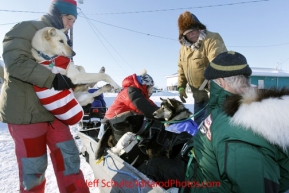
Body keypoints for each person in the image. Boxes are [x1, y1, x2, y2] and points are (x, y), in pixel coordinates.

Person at [0, 0, 89, 192]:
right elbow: (16, 63)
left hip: (56, 115)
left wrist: (77, 94)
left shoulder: (62, 42)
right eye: (68, 18)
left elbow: (64, 76)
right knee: (34, 173)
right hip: (27, 115)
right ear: (56, 14)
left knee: (70, 163)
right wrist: (52, 79)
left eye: (74, 20)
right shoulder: (27, 28)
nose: (71, 24)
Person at [180, 51, 289, 193]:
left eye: (209, 84)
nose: (207, 88)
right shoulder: (230, 110)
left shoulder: (237, 133)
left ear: (220, 82)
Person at [177, 11, 227, 125]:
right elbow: (181, 69)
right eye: (188, 33)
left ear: (199, 28)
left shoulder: (212, 39)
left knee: (214, 128)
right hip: (198, 96)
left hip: (214, 95)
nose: (192, 34)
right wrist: (181, 86)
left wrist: (213, 85)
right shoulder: (183, 49)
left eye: (194, 30)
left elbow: (217, 63)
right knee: (199, 127)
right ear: (184, 35)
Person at [97, 69, 159, 139]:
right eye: (150, 88)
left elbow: (148, 104)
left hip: (117, 123)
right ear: (145, 86)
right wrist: (162, 114)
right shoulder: (131, 92)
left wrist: (162, 110)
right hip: (110, 126)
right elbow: (144, 109)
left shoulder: (136, 92)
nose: (150, 91)